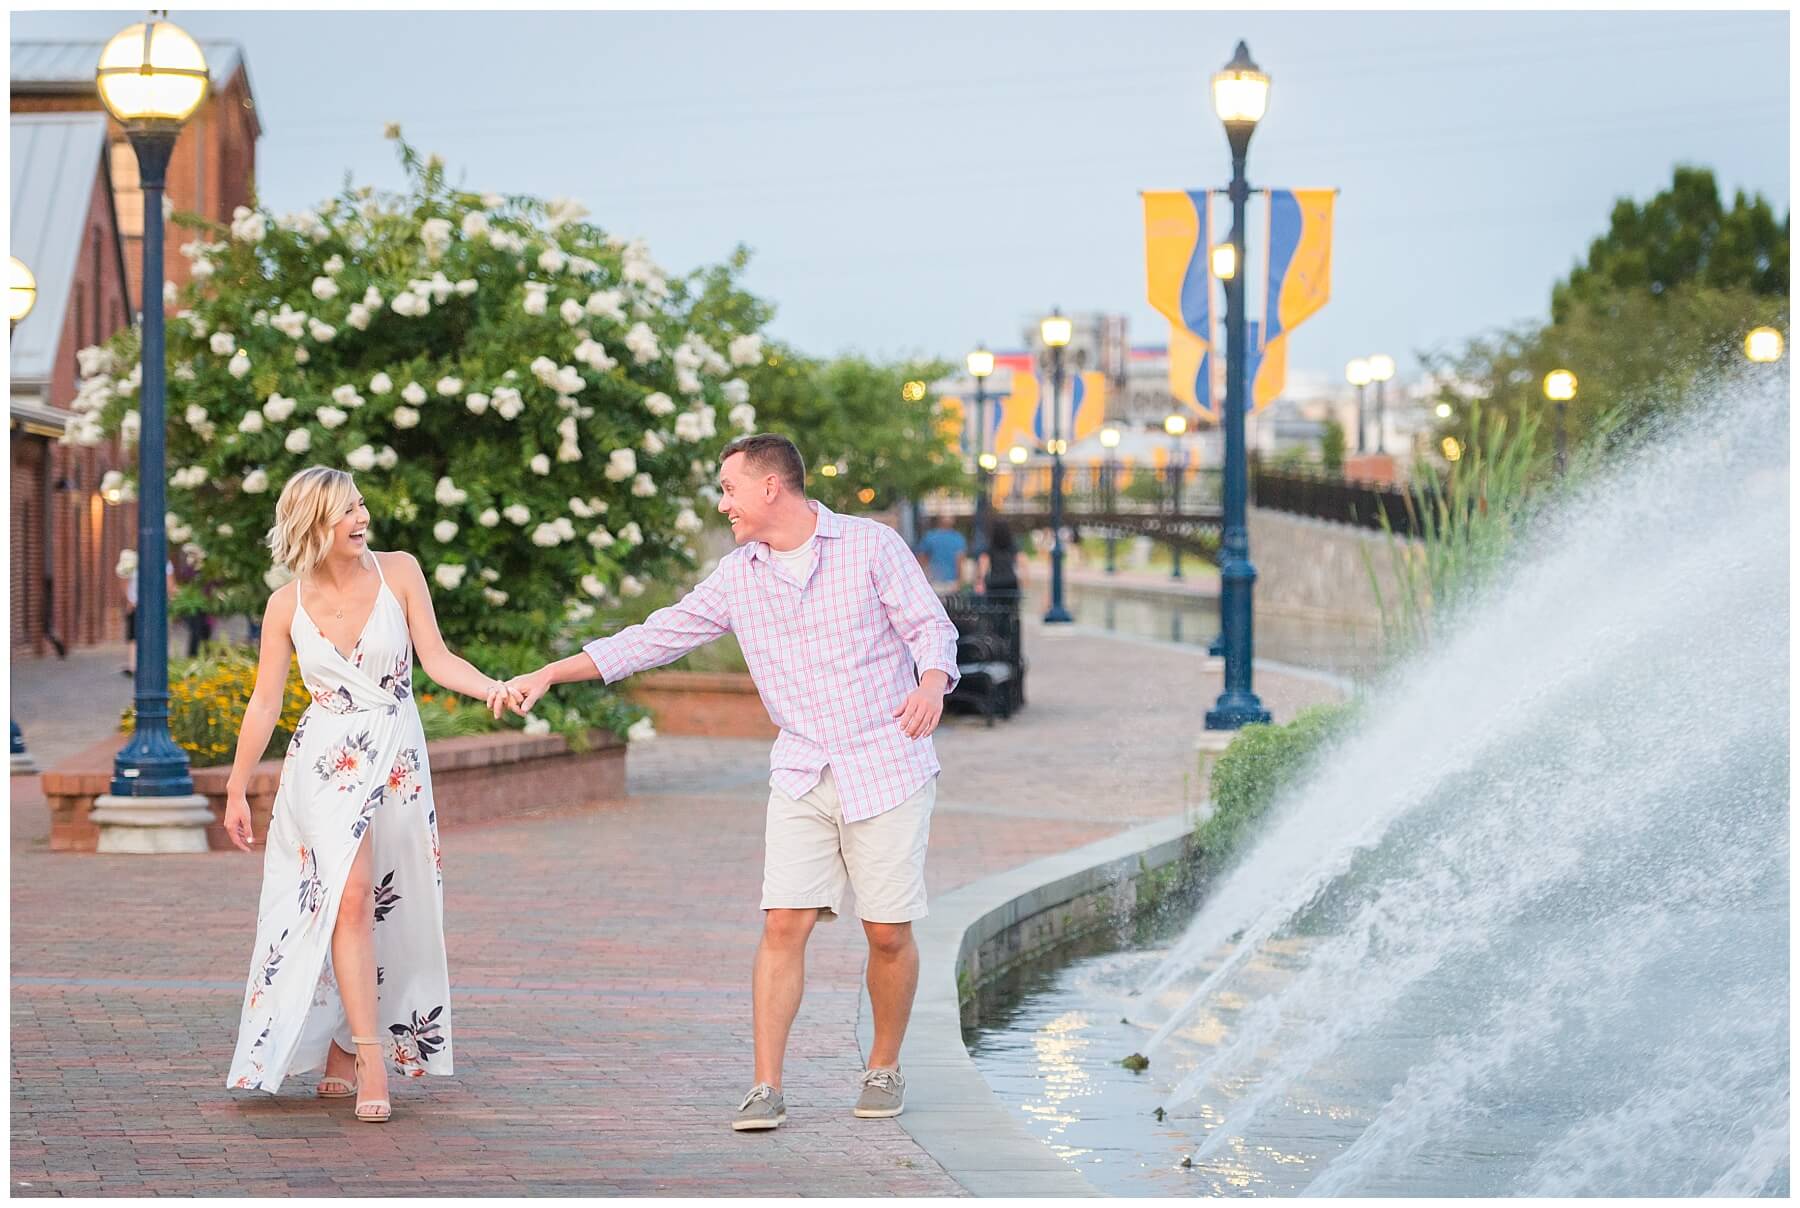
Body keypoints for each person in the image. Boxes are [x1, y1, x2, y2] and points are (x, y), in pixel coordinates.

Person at [505, 433, 958, 1132]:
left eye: (730, 490)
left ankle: (883, 1065)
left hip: (886, 760)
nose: (725, 505)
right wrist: (551, 673)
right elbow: (653, 637)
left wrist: (931, 683)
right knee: (783, 922)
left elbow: (930, 625)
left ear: (771, 487)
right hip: (804, 767)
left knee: (887, 932)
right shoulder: (738, 575)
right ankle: (766, 1086)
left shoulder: (870, 547)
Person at [221, 467, 515, 1122]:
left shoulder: (400, 573)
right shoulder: (283, 605)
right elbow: (266, 700)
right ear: (311, 524)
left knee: (391, 901)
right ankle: (368, 1054)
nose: (361, 519)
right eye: (344, 512)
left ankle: (339, 1044)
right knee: (349, 899)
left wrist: (491, 687)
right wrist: (239, 786)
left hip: (396, 757)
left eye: (361, 506)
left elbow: (436, 660)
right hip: (324, 764)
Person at [120, 556, 174, 675]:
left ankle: (133, 664)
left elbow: (124, 580)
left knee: (134, 635)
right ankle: (156, 664)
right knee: (154, 633)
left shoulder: (131, 559)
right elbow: (170, 585)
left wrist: (129, 599)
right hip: (150, 603)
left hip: (139, 602)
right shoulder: (162, 560)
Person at [913, 513, 967, 591]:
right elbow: (960, 561)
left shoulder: (929, 536)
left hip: (933, 582)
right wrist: (960, 581)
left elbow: (921, 560)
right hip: (951, 583)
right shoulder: (958, 538)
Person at [976, 519, 1026, 600]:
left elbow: (983, 564)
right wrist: (1023, 581)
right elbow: (1023, 562)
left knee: (995, 609)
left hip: (994, 583)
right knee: (1011, 610)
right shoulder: (1012, 546)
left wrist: (980, 582)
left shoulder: (990, 546)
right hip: (1011, 582)